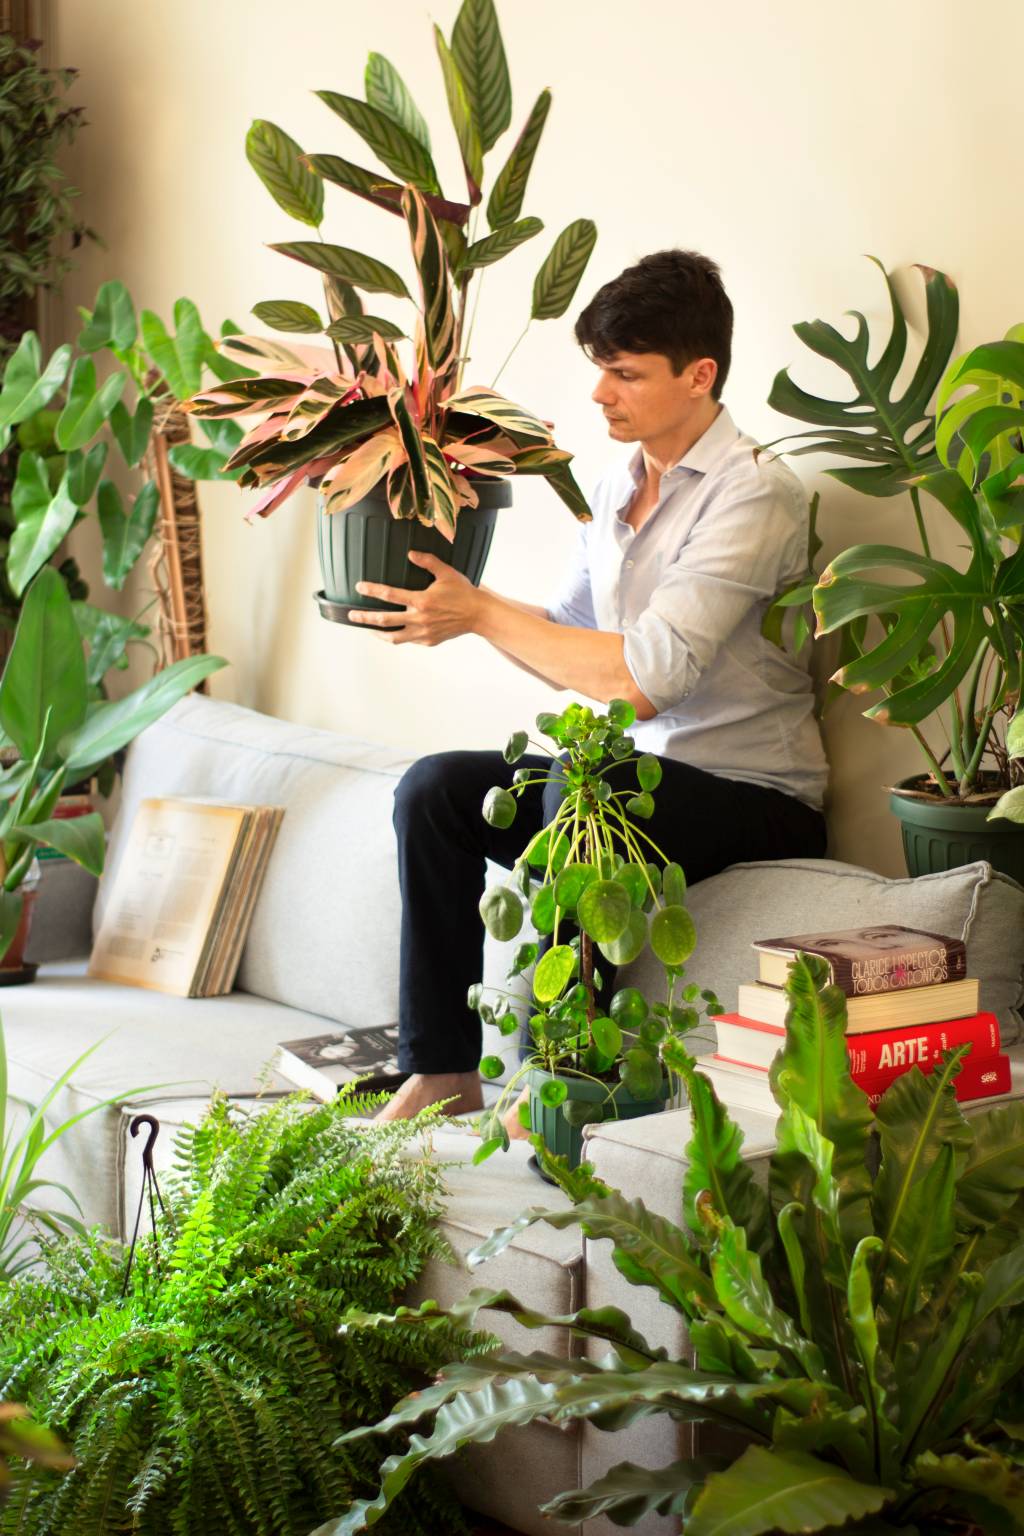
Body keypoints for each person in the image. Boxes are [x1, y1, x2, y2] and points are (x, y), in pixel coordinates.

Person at [349, 249, 829, 1122]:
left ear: (700, 375)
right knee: (436, 790)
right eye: (599, 371)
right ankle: (443, 1069)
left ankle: (560, 1075)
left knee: (589, 780)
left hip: (753, 794)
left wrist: (484, 615)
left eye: (624, 374)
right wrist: (460, 605)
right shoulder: (616, 487)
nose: (601, 394)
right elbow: (572, 638)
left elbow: (646, 683)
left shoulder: (755, 494)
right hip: (632, 786)